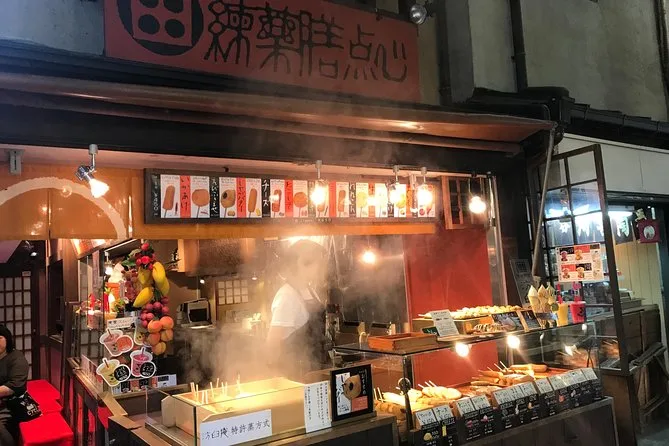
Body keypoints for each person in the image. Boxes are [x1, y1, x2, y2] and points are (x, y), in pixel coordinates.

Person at [266, 239, 329, 379]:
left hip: (314, 368)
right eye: (316, 262)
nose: (320, 267)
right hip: (295, 373)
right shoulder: (287, 295)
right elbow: (273, 342)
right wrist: (278, 379)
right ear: (299, 264)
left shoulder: (310, 290)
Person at [0, 325, 29, 445]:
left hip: (11, 404)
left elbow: (15, 386)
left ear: (7, 339)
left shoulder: (17, 358)